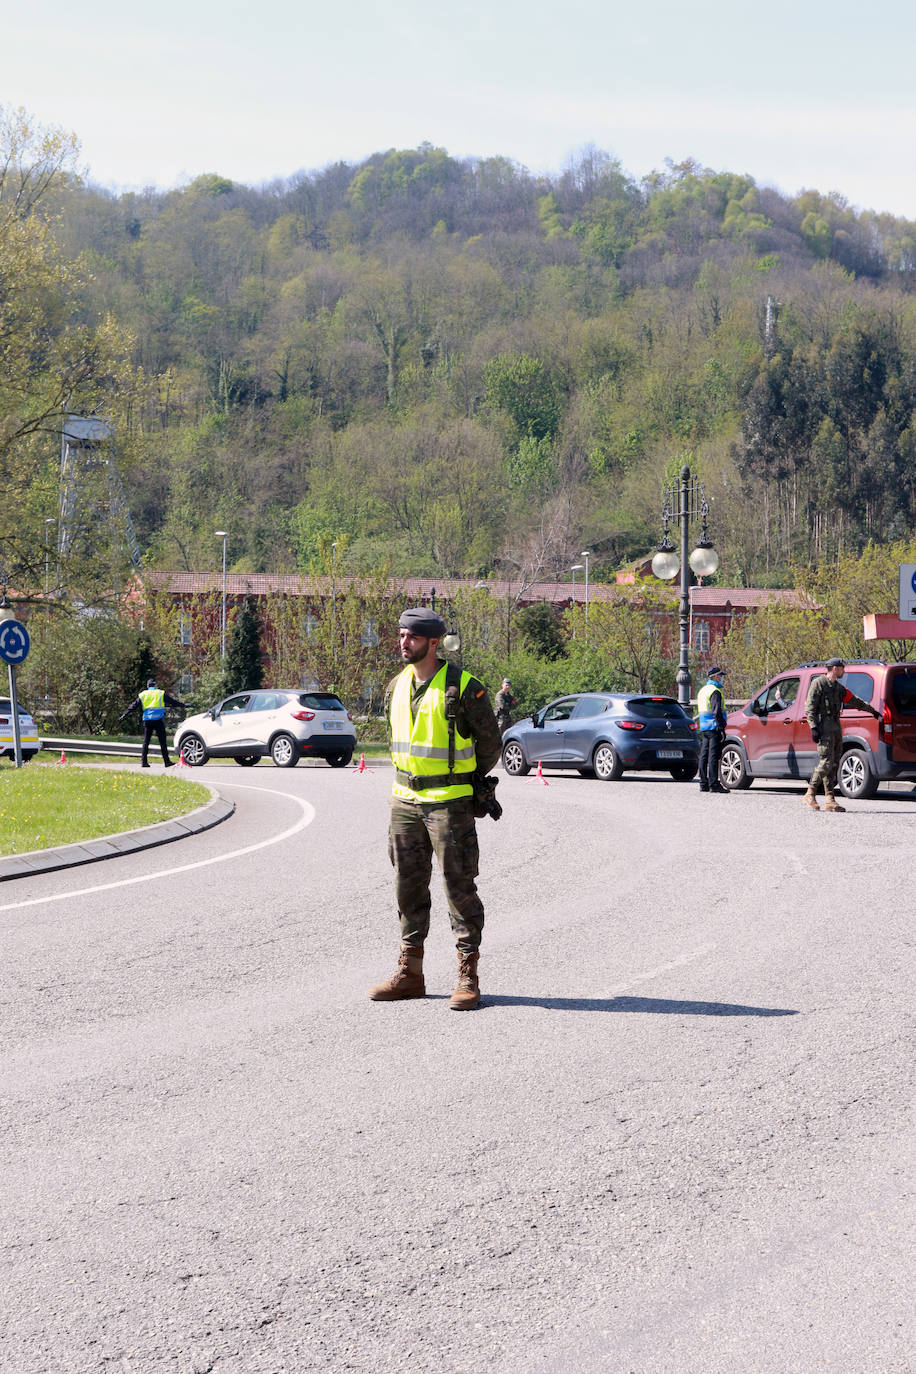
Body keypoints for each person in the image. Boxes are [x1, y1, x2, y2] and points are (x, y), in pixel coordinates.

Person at [369, 608, 502, 1011]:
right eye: (401, 635)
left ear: (432, 642)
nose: (403, 642)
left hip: (449, 804)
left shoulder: (463, 687)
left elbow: (490, 746)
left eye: (411, 636)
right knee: (407, 887)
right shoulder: (396, 686)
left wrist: (462, 780)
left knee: (459, 888)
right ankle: (410, 973)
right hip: (404, 801)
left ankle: (467, 976)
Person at [804, 658, 881, 812]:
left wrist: (872, 711)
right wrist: (813, 728)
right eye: (842, 668)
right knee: (826, 762)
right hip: (824, 728)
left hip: (836, 728)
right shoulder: (818, 684)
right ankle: (810, 793)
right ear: (834, 668)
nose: (844, 670)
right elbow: (810, 708)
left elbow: (855, 701)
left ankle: (830, 799)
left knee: (834, 763)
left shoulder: (839, 688)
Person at [120, 677, 189, 768]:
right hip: (158, 720)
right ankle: (167, 762)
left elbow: (133, 705)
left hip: (147, 720)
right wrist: (184, 705)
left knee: (146, 741)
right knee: (162, 741)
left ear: (147, 686)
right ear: (155, 685)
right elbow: (172, 702)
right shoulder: (160, 693)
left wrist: (125, 714)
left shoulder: (143, 694)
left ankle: (144, 762)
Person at [697, 665, 728, 793]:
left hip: (704, 727)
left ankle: (703, 783)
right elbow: (717, 711)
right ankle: (714, 784)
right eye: (720, 676)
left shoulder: (703, 690)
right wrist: (721, 727)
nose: (721, 678)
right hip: (714, 726)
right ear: (715, 677)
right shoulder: (715, 691)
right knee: (713, 756)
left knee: (704, 756)